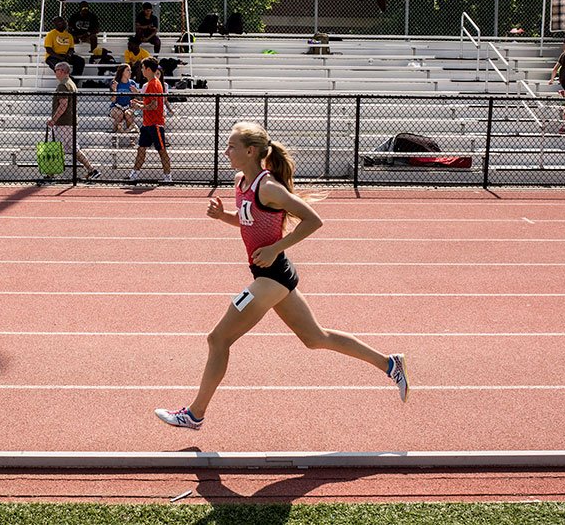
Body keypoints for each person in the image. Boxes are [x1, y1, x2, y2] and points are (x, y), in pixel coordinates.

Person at [153, 121, 408, 430]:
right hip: (272, 275)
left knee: (218, 339)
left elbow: (313, 220)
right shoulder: (240, 182)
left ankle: (194, 414)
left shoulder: (268, 186)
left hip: (271, 277)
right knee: (316, 338)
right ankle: (389, 364)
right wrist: (223, 217)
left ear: (250, 151)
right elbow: (249, 219)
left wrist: (276, 248)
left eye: (231, 146)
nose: (226, 150)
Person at [45, 61, 100, 182]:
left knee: (57, 148)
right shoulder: (71, 84)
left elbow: (63, 105)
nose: (55, 73)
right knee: (74, 149)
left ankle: (50, 175)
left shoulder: (63, 85)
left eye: (56, 70)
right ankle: (92, 170)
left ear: (62, 71)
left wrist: (53, 119)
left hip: (63, 122)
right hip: (70, 121)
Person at [128, 58, 172, 183]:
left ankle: (168, 177)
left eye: (142, 67)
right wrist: (139, 103)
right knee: (141, 149)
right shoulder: (152, 83)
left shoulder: (153, 84)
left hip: (155, 123)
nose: (141, 70)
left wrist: (139, 106)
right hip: (147, 123)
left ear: (148, 69)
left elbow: (154, 105)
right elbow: (149, 102)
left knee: (161, 150)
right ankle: (134, 175)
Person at [109, 64, 139, 136]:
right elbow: (113, 100)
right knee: (119, 115)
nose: (130, 72)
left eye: (130, 70)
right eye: (128, 70)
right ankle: (114, 137)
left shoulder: (132, 83)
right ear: (122, 72)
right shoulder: (115, 83)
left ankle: (131, 139)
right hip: (116, 106)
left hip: (128, 106)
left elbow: (136, 99)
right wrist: (114, 91)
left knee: (128, 114)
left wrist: (136, 93)